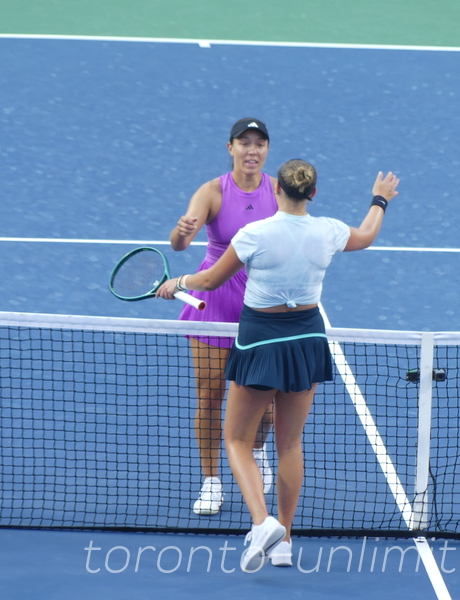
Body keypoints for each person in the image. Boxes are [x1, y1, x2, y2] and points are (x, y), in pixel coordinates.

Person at [157, 159, 400, 572]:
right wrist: (380, 199)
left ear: (276, 192)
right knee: (289, 444)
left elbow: (212, 280)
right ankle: (284, 540)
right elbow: (368, 235)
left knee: (236, 440)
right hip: (306, 341)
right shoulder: (330, 230)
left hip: (261, 341)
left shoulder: (255, 234)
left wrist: (177, 283)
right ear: (313, 194)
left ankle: (261, 522)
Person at [169, 118, 279, 516]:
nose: (252, 150)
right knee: (210, 396)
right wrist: (181, 232)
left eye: (259, 143)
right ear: (230, 148)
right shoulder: (212, 191)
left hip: (261, 307)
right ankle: (212, 481)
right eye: (244, 143)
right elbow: (181, 243)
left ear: (267, 150)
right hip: (214, 304)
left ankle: (256, 450)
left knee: (267, 404)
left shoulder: (278, 191)